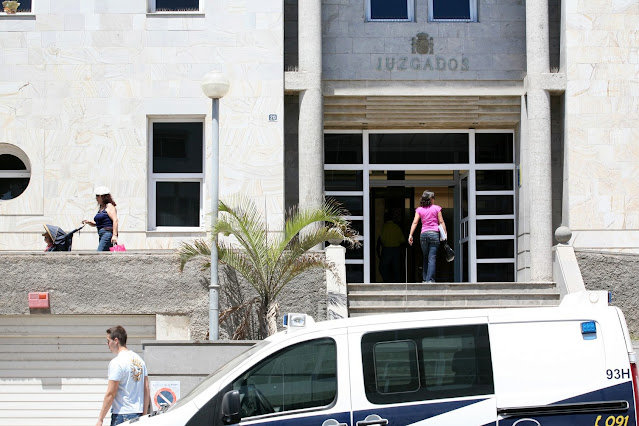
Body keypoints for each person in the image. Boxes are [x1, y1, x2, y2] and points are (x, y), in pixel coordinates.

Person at [97, 325, 150, 426]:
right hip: (138, 414)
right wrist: (144, 414)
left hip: (122, 415)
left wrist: (101, 418)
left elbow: (111, 393)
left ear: (116, 340)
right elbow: (146, 388)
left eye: (108, 341)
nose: (107, 344)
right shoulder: (139, 360)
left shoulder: (117, 362)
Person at [408, 190, 447, 283]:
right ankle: (430, 280)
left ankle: (425, 279)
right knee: (432, 257)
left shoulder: (419, 209)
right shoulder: (437, 208)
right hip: (434, 234)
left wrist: (410, 235)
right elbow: (441, 222)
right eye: (434, 198)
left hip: (424, 235)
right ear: (431, 199)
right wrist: (445, 234)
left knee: (425, 256)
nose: (434, 200)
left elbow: (415, 222)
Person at [83, 186, 119, 251]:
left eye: (97, 196)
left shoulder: (109, 206)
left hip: (107, 233)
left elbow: (115, 220)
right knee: (105, 256)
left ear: (102, 197)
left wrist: (114, 235)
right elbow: (99, 223)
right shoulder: (101, 207)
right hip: (101, 234)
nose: (96, 198)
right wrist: (89, 222)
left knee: (99, 253)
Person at [376, 209, 405, 282]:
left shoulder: (383, 228)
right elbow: (402, 240)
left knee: (383, 268)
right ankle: (397, 282)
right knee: (396, 268)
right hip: (396, 250)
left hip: (386, 250)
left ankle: (387, 281)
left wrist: (379, 254)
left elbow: (379, 241)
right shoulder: (397, 227)